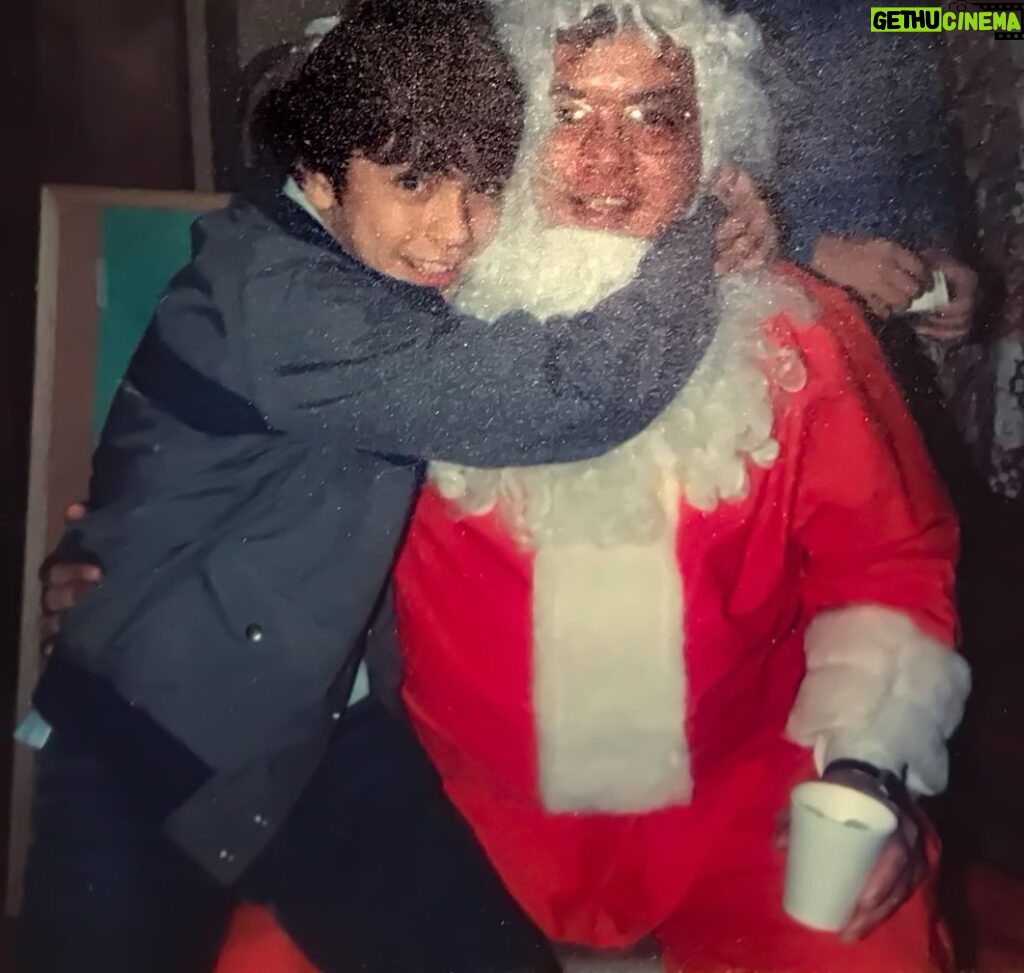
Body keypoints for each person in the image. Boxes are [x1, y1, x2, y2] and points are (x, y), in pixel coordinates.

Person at [41, 2, 971, 972]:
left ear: (716, 142)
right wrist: (113, 559)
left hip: (741, 808)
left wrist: (869, 766)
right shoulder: (405, 311)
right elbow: (232, 452)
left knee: (870, 948)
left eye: (656, 119)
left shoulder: (801, 331)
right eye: (568, 114)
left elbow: (887, 561)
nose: (608, 167)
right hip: (450, 805)